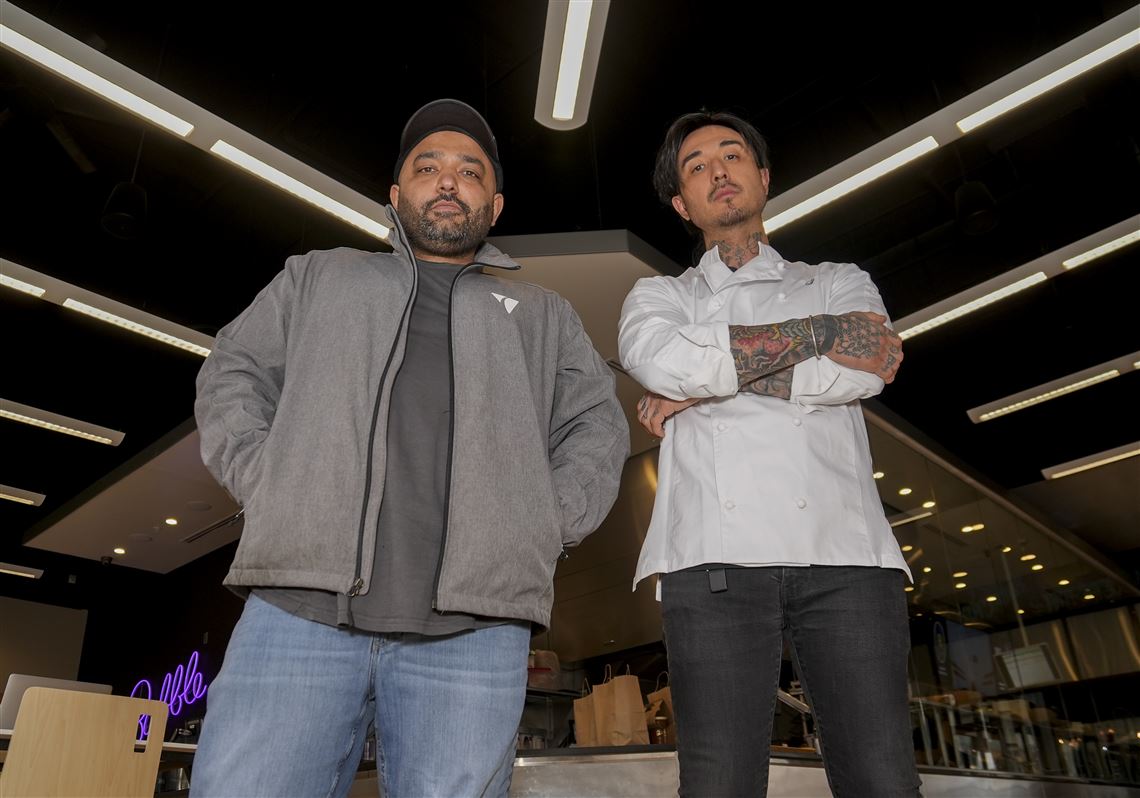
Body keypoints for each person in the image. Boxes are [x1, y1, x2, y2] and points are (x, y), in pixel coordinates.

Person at [191, 98, 629, 798]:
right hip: (298, 610)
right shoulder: (318, 276)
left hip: (476, 632)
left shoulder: (543, 316)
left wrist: (543, 520)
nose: (448, 180)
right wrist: (268, 478)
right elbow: (233, 370)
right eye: (428, 167)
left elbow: (597, 424)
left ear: (495, 205)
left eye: (470, 171)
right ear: (396, 196)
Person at [617, 110, 921, 797]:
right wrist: (821, 335)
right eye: (697, 166)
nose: (718, 171)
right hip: (712, 562)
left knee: (883, 780)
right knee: (719, 783)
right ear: (682, 204)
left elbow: (870, 366)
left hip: (847, 556)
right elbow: (662, 362)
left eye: (732, 156)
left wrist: (703, 387)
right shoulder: (659, 296)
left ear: (762, 177)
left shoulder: (837, 278)